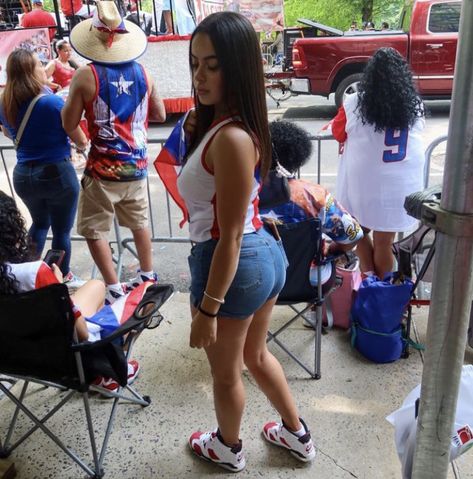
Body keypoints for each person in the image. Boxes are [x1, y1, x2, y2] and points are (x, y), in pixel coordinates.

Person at [178, 11, 316, 472]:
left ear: (237, 67)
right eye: (195, 62)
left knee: (225, 372)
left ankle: (227, 447)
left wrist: (208, 310)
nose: (200, 74)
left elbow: (231, 233)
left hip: (235, 263)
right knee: (256, 355)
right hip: (258, 258)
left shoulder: (233, 136)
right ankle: (297, 436)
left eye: (212, 64)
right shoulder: (227, 126)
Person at [61, 1, 166, 305]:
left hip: (103, 170)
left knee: (94, 230)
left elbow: (69, 122)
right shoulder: (144, 73)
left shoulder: (85, 76)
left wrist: (85, 143)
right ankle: (147, 275)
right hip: (136, 167)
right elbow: (158, 113)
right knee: (139, 222)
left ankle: (113, 286)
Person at [0, 190, 140, 392]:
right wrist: (57, 286)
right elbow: (81, 333)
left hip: (17, 359)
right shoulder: (34, 272)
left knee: (94, 288)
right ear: (11, 227)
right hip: (62, 359)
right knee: (100, 289)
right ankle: (106, 373)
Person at [331, 47, 425, 279]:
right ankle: (383, 291)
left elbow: (338, 131)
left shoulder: (354, 102)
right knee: (385, 242)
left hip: (364, 183)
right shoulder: (414, 103)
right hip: (400, 184)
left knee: (358, 233)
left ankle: (368, 281)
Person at [0, 48, 88, 287]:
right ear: (32, 70)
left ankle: (28, 274)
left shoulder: (5, 101)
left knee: (39, 223)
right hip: (56, 173)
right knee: (61, 230)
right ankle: (62, 276)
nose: (43, 67)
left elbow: (8, 132)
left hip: (23, 174)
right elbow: (79, 138)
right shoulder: (51, 102)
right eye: (39, 65)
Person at [259, 120, 363, 286]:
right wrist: (330, 252)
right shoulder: (314, 195)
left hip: (257, 279)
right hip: (307, 280)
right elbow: (353, 235)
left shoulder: (246, 194)